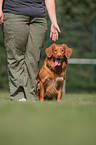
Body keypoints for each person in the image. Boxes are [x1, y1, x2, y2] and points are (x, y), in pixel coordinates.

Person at [0, 0, 61, 102]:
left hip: (39, 17)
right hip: (14, 13)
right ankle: (18, 96)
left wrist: (54, 21)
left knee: (34, 58)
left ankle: (31, 96)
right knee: (16, 56)